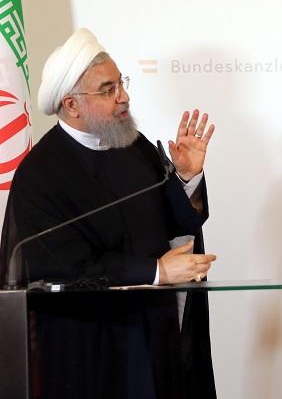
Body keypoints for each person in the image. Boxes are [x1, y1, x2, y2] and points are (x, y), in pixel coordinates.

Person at [0, 28, 218, 399]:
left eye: (121, 83)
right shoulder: (40, 173)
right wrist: (157, 271)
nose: (124, 97)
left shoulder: (135, 147)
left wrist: (185, 177)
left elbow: (176, 223)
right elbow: (60, 267)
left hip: (153, 333)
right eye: (108, 89)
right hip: (89, 346)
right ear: (72, 105)